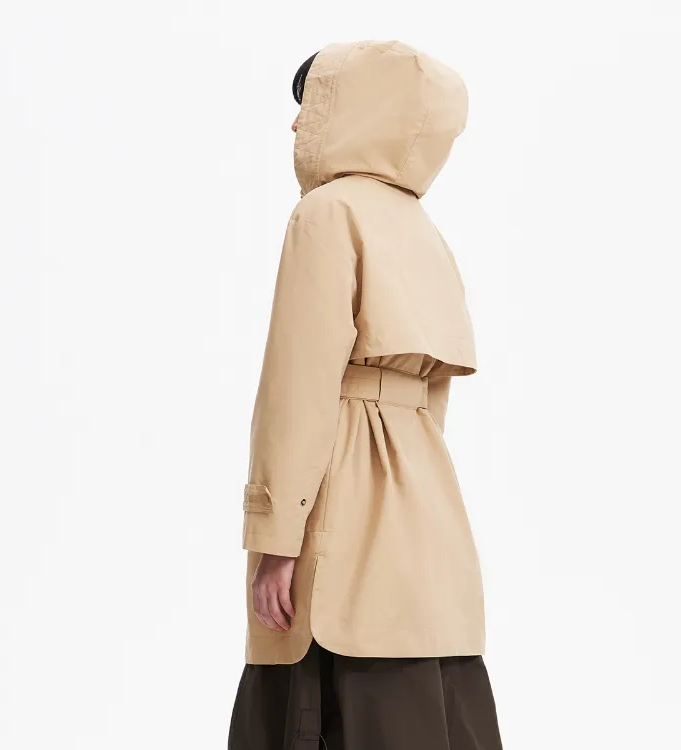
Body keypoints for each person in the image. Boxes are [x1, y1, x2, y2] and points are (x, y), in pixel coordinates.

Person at [228, 40, 504, 749]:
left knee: (317, 688)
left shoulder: (327, 213)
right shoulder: (423, 231)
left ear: (353, 109)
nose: (297, 124)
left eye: (311, 103)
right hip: (427, 502)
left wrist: (277, 540)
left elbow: (297, 387)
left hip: (340, 495)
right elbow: (436, 397)